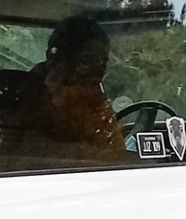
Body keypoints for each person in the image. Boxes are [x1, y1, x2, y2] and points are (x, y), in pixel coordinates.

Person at [33, 15, 127, 159]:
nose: (97, 73)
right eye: (86, 62)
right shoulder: (30, 101)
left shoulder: (95, 100)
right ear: (55, 59)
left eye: (102, 63)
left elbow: (117, 152)